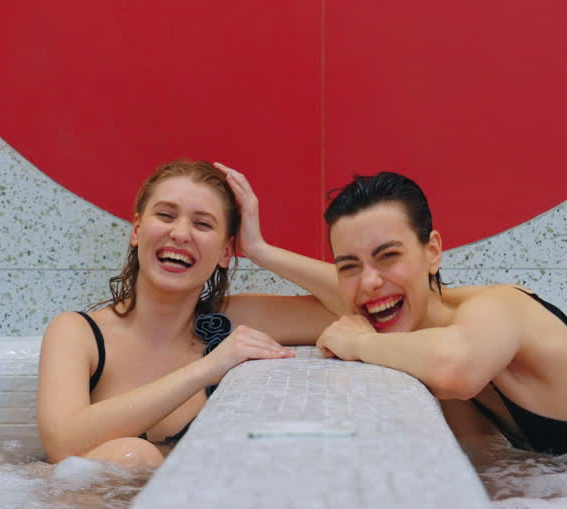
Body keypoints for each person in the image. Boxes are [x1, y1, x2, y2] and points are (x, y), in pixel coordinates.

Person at [217, 166, 567, 470]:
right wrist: (258, 250)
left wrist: (360, 343)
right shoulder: (416, 322)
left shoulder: (502, 311)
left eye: (389, 256)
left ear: (432, 251)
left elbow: (457, 369)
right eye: (350, 265)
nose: (369, 283)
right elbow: (346, 292)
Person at [36, 160, 342, 468]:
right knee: (132, 455)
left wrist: (259, 249)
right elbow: (62, 445)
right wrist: (208, 367)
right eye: (166, 215)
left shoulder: (231, 321)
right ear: (138, 231)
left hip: (191, 508)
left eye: (203, 224)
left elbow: (358, 306)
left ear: (225, 252)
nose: (180, 233)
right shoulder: (78, 333)